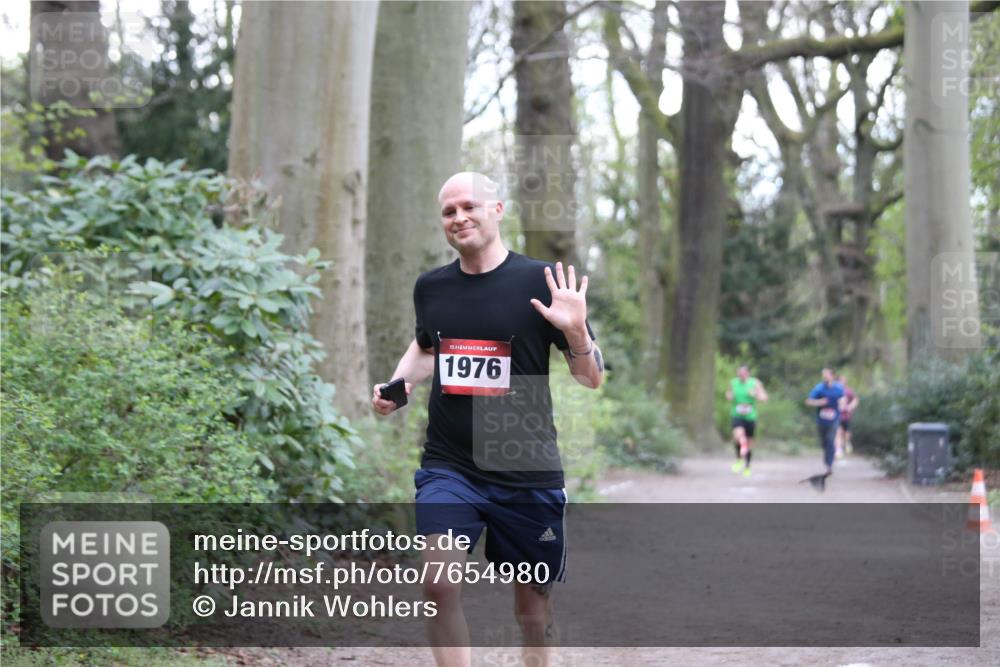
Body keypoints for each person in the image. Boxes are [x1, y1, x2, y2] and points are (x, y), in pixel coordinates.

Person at [371, 172, 603, 667]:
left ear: (497, 209)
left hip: (526, 470)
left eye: (469, 206)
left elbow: (591, 378)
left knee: (532, 611)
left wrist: (578, 331)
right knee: (438, 584)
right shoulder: (431, 288)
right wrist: (398, 385)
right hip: (450, 465)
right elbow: (426, 345)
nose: (459, 218)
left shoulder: (541, 282)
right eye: (449, 211)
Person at [725, 365, 769, 477]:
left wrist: (755, 395)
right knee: (738, 436)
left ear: (748, 374)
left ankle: (747, 466)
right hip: (737, 414)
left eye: (743, 374)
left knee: (748, 443)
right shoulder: (733, 382)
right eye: (739, 374)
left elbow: (764, 398)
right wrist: (730, 396)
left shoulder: (755, 383)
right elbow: (728, 394)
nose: (741, 376)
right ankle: (739, 459)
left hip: (750, 416)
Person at [805, 368, 845, 475]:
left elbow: (842, 399)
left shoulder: (838, 388)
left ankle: (829, 465)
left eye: (826, 374)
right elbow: (808, 401)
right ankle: (827, 458)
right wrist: (820, 402)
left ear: (832, 375)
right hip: (821, 420)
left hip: (834, 419)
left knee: (830, 440)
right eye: (823, 375)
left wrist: (841, 404)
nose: (825, 377)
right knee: (824, 442)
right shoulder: (819, 388)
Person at [835, 373, 859, 458]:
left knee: (847, 433)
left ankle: (847, 442)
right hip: (837, 416)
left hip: (846, 416)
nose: (842, 382)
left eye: (843, 380)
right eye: (840, 380)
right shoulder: (835, 391)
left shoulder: (848, 391)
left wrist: (850, 407)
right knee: (838, 432)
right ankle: (838, 450)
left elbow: (855, 400)